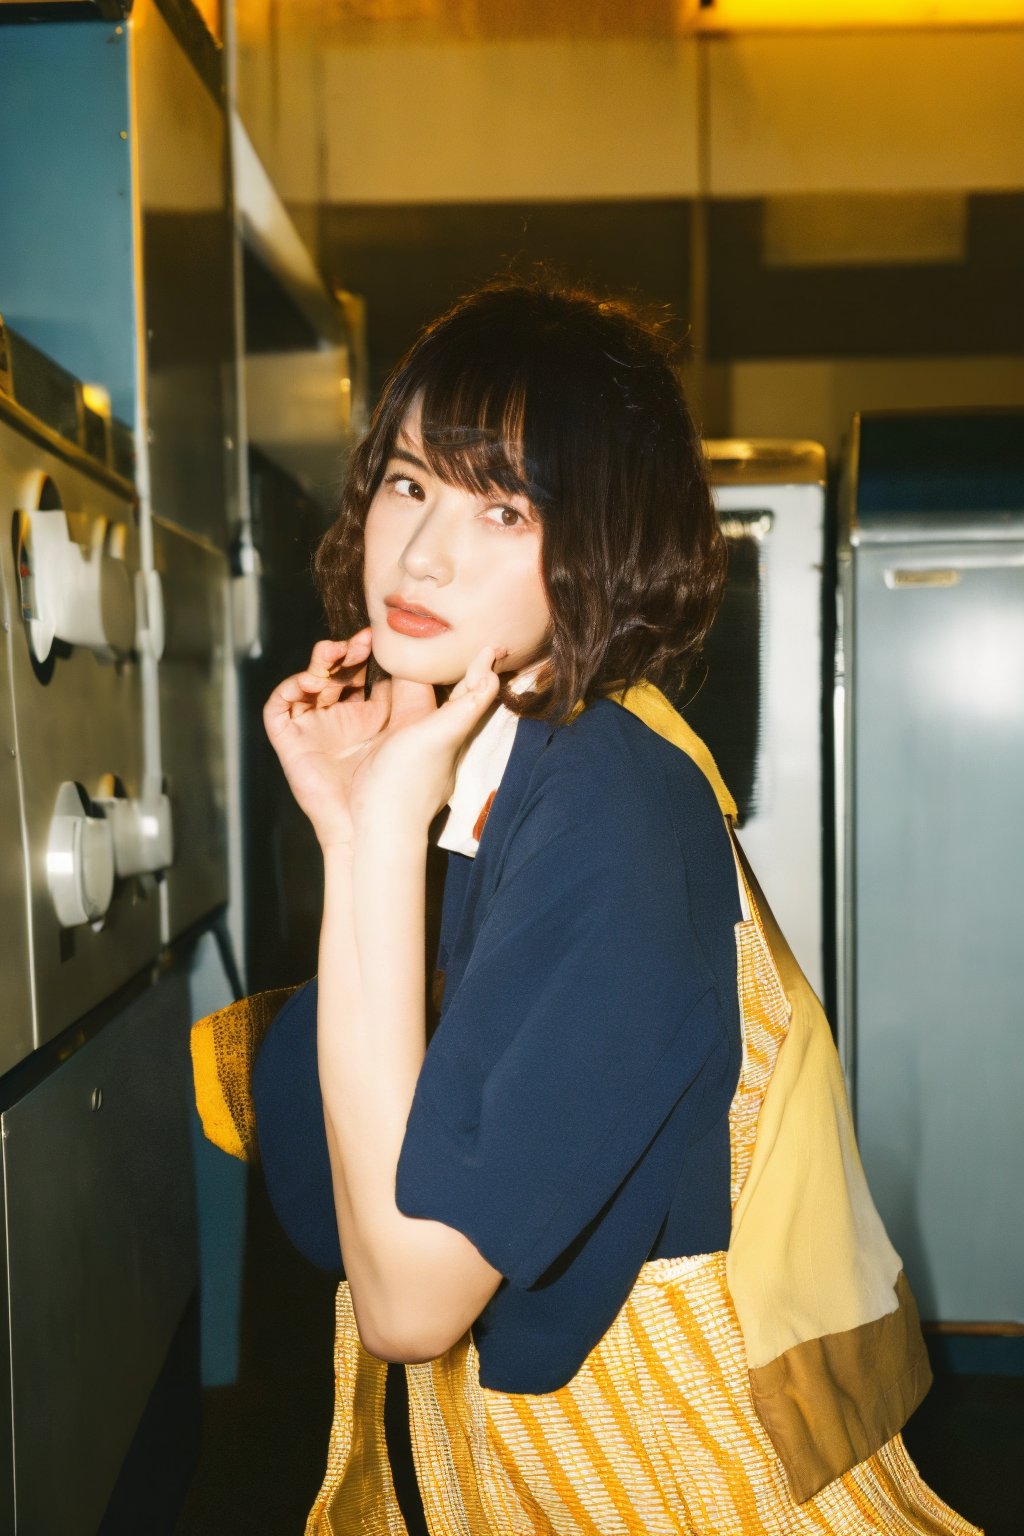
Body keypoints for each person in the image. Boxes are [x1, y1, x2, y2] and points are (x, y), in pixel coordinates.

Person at [202, 276, 981, 1534]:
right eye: (408, 481)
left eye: (503, 507)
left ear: (604, 548)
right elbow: (344, 1186)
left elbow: (407, 1303)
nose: (423, 551)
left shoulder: (609, 811)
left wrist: (370, 838)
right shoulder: (497, 771)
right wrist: (367, 827)